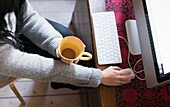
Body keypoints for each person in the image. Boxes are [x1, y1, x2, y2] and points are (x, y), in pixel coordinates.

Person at [0, 0, 135, 89]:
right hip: (4, 63)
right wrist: (99, 77)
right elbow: (42, 69)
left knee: (65, 35)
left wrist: (55, 43)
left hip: (9, 33)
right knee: (77, 72)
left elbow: (26, 16)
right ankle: (61, 83)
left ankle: (58, 83)